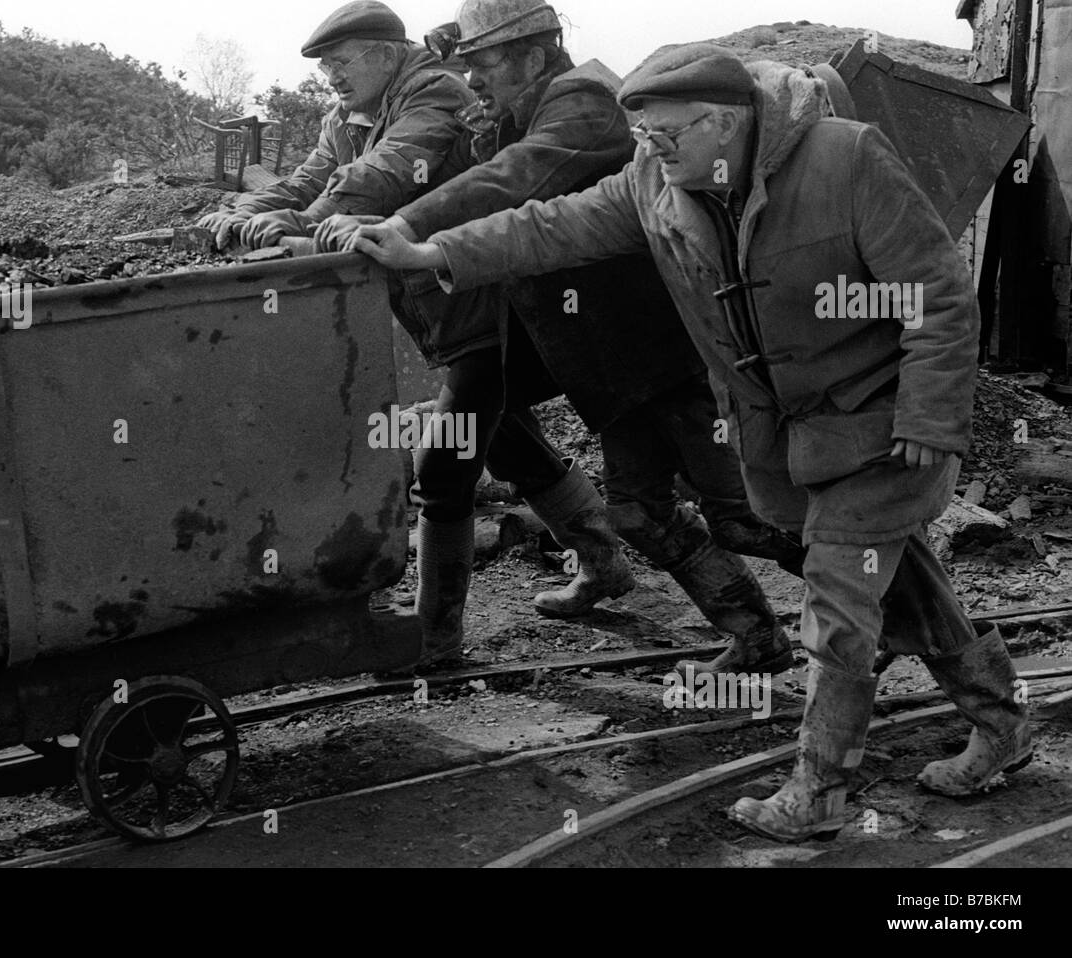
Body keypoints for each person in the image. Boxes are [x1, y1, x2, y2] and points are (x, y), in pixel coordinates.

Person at [349, 43, 1032, 841]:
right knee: (905, 580)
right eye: (643, 136)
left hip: (881, 418)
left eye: (668, 133)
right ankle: (1004, 721)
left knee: (840, 601)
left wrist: (929, 415)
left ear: (731, 122)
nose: (652, 149)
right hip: (787, 431)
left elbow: (937, 295)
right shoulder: (654, 183)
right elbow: (548, 228)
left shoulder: (845, 160)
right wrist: (430, 251)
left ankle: (821, 790)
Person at [319, 0, 803, 681]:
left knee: (748, 515)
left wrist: (409, 224)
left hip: (653, 348)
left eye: (485, 63)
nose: (474, 80)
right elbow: (504, 183)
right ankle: (758, 636)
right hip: (598, 356)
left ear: (535, 54)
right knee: (638, 510)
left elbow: (518, 182)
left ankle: (887, 598)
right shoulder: (519, 110)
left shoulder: (583, 100)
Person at [199, 1, 614, 670]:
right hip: (438, 310)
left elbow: (385, 174)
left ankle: (435, 637)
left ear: (387, 56)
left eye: (342, 61)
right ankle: (602, 561)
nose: (331, 76)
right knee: (508, 441)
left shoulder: (431, 92)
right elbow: (311, 179)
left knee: (443, 469)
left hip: (484, 304)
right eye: (326, 66)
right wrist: (247, 211)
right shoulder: (346, 115)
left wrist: (301, 226)